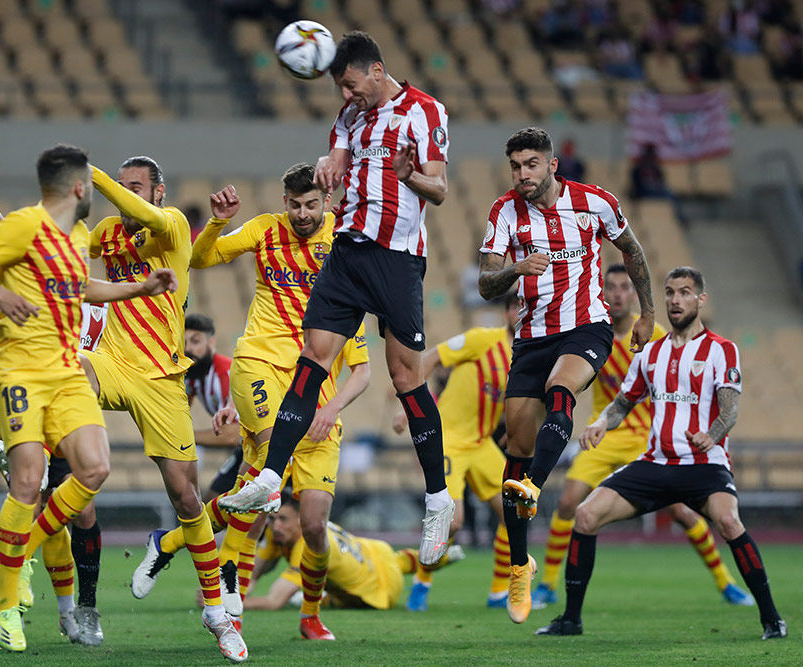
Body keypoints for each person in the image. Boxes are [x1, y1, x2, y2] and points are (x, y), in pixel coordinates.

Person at [219, 31, 456, 570]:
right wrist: (329, 165)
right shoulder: (350, 115)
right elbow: (336, 154)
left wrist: (408, 175)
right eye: (340, 88)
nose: (347, 95)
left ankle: (437, 499)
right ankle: (270, 478)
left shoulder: (424, 111)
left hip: (396, 257)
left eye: (351, 84)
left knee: (405, 379)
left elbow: (440, 189)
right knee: (314, 357)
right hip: (346, 252)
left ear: (376, 70)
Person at [0, 144, 179, 654]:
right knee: (29, 481)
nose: (96, 194)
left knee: (95, 469)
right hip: (19, 374)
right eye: (92, 185)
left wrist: (141, 288)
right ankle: (8, 603)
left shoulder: (77, 235)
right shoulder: (24, 226)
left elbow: (82, 289)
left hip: (67, 374)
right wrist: (3, 296)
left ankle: (20, 549)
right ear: (78, 187)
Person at [131, 163, 371, 641]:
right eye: (295, 204)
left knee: (315, 524)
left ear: (326, 204)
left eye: (312, 205)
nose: (303, 214)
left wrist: (330, 409)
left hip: (317, 406)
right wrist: (218, 221)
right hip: (259, 362)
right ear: (285, 202)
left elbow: (363, 372)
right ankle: (231, 615)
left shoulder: (344, 282)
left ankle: (307, 614)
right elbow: (200, 260)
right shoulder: (265, 230)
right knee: (264, 490)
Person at [536, 267, 787, 641]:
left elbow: (729, 409)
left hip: (704, 465)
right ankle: (571, 619)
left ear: (700, 300)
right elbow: (624, 401)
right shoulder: (650, 352)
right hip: (656, 463)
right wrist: (603, 422)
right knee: (585, 515)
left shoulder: (721, 349)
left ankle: (771, 618)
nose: (675, 300)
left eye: (684, 293)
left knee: (730, 522)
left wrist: (711, 435)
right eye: (669, 292)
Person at [477, 126, 656, 624]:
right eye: (515, 166)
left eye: (531, 164)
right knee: (515, 449)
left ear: (552, 165)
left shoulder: (595, 202)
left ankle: (535, 483)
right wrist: (515, 269)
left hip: (586, 327)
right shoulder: (502, 212)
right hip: (531, 338)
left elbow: (634, 252)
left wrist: (645, 313)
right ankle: (520, 565)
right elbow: (486, 283)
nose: (522, 175)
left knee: (563, 387)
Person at [76, 155, 247, 662]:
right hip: (111, 359)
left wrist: (95, 175)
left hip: (162, 380)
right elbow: (62, 249)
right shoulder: (108, 230)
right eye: (121, 186)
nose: (125, 198)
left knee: (187, 498)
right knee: (70, 369)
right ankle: (43, 455)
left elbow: (138, 212)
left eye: (136, 188)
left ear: (158, 193)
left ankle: (217, 611)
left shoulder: (170, 226)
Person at [0, 205, 107, 647]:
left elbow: (98, 362)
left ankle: (81, 608)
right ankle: (24, 593)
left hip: (70, 405)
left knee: (79, 507)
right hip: (32, 396)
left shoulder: (97, 305)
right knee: (32, 491)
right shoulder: (40, 289)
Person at [392, 292, 520, 612]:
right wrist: (410, 406)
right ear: (507, 313)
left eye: (530, 306)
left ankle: (498, 592)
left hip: (481, 444)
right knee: (452, 521)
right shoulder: (482, 340)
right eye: (518, 305)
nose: (523, 312)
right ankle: (421, 585)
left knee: (514, 514)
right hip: (448, 439)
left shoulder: (531, 358)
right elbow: (431, 357)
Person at [244, 494, 464, 612]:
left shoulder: (306, 545)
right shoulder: (282, 533)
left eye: (283, 519)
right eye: (272, 519)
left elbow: (273, 602)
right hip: (372, 550)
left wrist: (223, 606)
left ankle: (439, 558)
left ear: (301, 521)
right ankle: (441, 558)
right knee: (397, 562)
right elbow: (251, 576)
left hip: (380, 588)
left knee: (334, 600)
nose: (275, 526)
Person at [183, 312, 243, 501]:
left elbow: (233, 435)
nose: (188, 349)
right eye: (183, 342)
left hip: (266, 447)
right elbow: (178, 413)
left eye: (195, 341)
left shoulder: (226, 373)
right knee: (214, 500)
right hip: (247, 449)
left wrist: (184, 437)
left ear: (211, 343)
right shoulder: (193, 376)